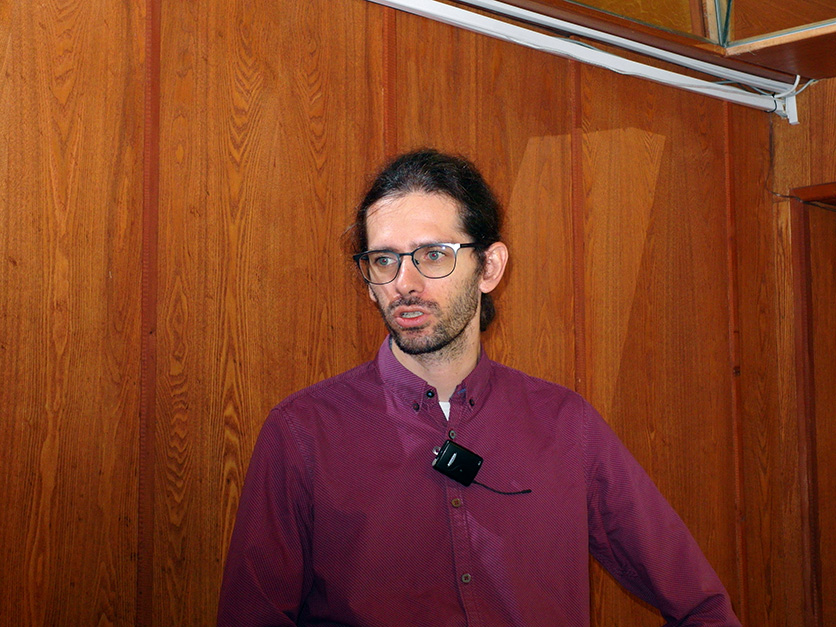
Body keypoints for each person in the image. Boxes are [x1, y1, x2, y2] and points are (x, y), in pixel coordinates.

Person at [217, 149, 741, 626]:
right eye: (384, 260)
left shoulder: (566, 425)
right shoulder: (302, 433)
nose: (404, 283)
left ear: (489, 267)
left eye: (433, 255)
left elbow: (700, 606)